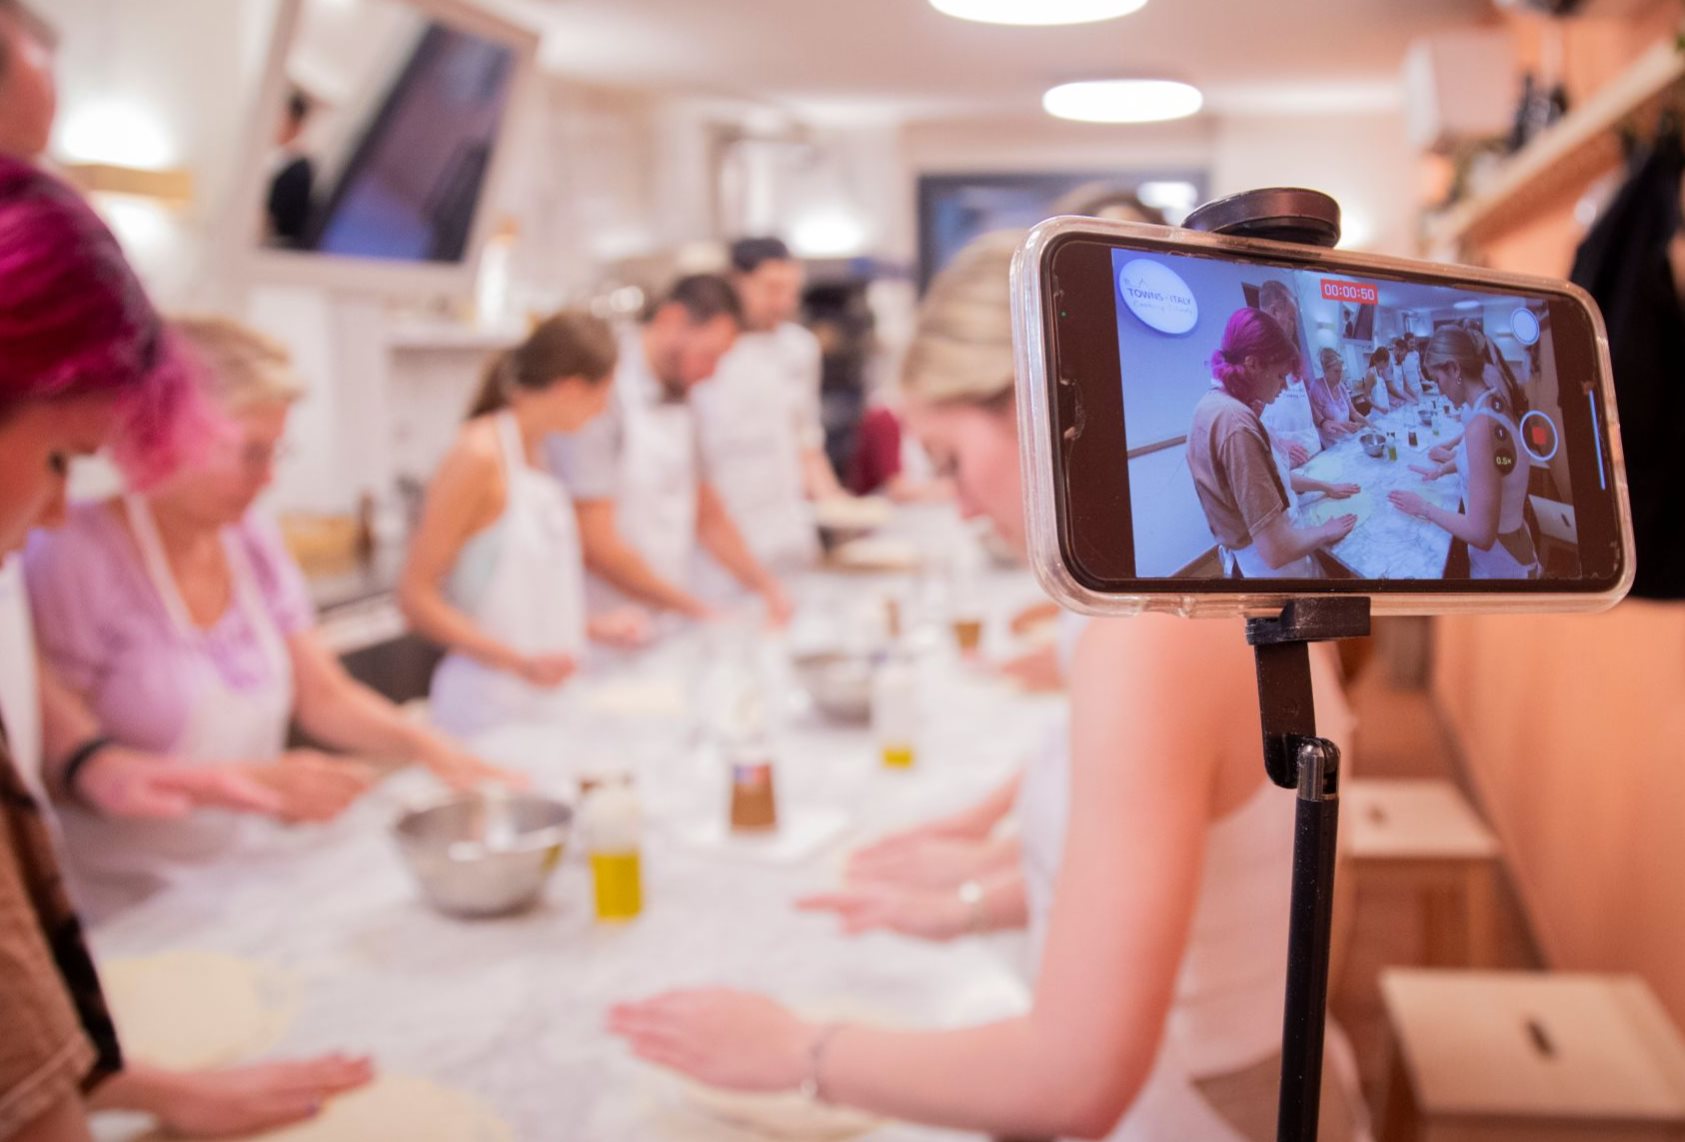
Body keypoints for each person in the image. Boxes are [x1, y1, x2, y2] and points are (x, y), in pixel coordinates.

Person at [608, 233, 1367, 1141]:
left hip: (1199, 1109)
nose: (959, 505)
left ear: (1035, 411)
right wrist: (975, 891)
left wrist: (796, 1051)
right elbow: (1166, 862)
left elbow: (1071, 1079)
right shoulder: (1159, 587)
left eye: (949, 459)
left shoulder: (1155, 643)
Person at [0, 154, 373, 1142]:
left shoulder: (238, 538)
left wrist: (129, 1086)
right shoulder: (70, 554)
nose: (47, 512)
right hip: (132, 921)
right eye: (56, 460)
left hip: (209, 912)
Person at [25, 317, 509, 917]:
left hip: (240, 883)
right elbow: (58, 764)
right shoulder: (72, 554)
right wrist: (251, 781)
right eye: (251, 453)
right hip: (128, 909)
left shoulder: (249, 538)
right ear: (165, 435)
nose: (270, 477)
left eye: (276, 451)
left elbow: (323, 696)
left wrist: (427, 745)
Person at [400, 312, 646, 738]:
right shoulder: (477, 454)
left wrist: (587, 626)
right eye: (602, 395)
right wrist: (517, 660)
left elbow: (512, 592)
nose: (603, 410)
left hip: (548, 698)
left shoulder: (537, 452)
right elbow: (416, 598)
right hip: (488, 705)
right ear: (571, 388)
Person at [545, 275, 792, 625]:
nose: (710, 373)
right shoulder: (604, 390)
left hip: (661, 616)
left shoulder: (683, 393)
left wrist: (765, 587)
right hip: (603, 624)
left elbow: (707, 513)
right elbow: (595, 541)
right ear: (671, 320)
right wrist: (692, 607)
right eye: (708, 356)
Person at [690, 238, 842, 593]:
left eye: (791, 292)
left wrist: (838, 509)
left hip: (789, 532)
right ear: (734, 281)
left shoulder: (799, 348)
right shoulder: (705, 351)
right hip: (722, 547)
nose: (783, 303)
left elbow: (807, 442)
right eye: (771, 289)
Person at [1186, 309, 1360, 579]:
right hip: (1276, 570)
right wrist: (1325, 531)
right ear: (1253, 364)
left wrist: (1326, 486)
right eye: (1280, 376)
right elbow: (1276, 550)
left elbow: (1270, 479)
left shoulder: (1213, 405)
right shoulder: (1237, 425)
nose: (1283, 387)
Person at [1389, 326, 1541, 579]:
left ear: (1454, 369)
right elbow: (1486, 466)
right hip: (1513, 550)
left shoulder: (1481, 426)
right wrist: (1441, 469)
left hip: (1501, 567)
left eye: (1438, 380)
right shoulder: (1493, 401)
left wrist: (1423, 507)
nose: (1439, 390)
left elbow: (1481, 534)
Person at [1308, 348, 1369, 446]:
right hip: (1331, 444)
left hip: (1347, 439)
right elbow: (1317, 421)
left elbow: (1353, 412)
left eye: (1341, 371)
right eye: (1336, 371)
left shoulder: (1341, 387)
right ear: (1325, 370)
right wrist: (1344, 425)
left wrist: (1369, 423)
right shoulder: (1316, 388)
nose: (1340, 375)